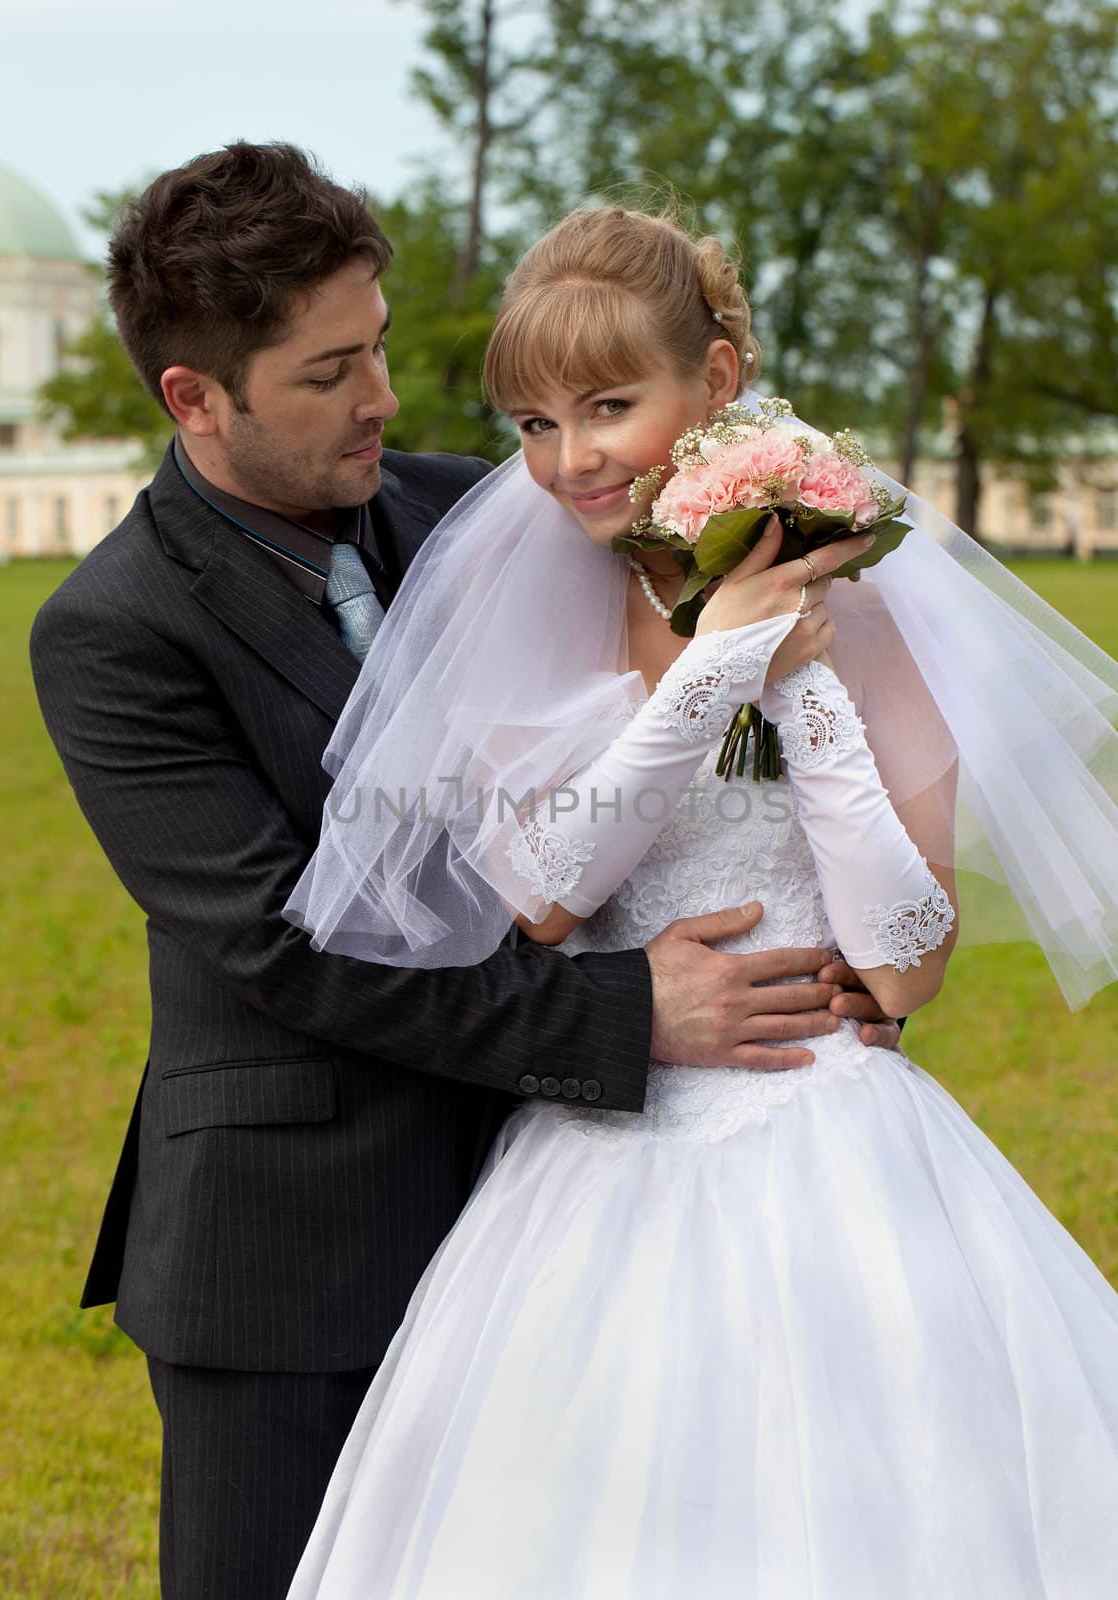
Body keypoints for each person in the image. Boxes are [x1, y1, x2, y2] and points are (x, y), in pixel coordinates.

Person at [29, 147, 898, 1600]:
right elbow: (290, 947)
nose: (380, 397)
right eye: (328, 373)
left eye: (374, 348)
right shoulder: (113, 632)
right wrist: (633, 1016)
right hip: (291, 1259)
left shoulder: (484, 512)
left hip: (549, 1233)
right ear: (197, 397)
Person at [285, 206, 1118, 1597]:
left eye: (608, 406)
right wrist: (713, 670)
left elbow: (906, 967)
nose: (570, 460)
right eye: (536, 423)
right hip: (600, 1155)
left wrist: (802, 678)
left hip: (834, 1137)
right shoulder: (517, 599)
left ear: (717, 384)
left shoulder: (868, 606)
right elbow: (541, 904)